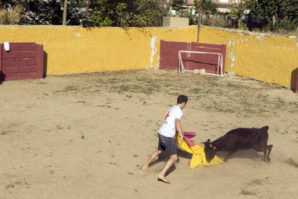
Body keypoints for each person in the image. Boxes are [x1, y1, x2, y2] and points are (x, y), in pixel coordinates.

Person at [142, 95, 188, 184]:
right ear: (183, 103)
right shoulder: (179, 111)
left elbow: (171, 121)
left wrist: (176, 132)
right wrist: (181, 135)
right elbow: (177, 122)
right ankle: (161, 175)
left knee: (159, 150)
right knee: (174, 157)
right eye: (185, 104)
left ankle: (145, 166)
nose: (185, 106)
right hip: (167, 135)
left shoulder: (172, 109)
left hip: (161, 132)